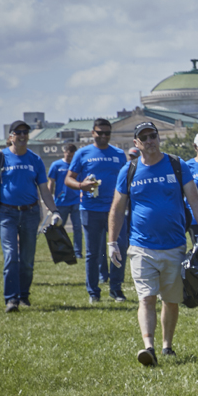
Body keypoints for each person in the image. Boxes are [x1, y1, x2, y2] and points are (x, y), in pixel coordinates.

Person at [107, 122, 198, 365]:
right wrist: (112, 242)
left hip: (174, 245)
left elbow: (194, 199)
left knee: (171, 300)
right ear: (136, 143)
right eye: (144, 137)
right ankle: (149, 346)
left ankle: (167, 345)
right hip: (141, 246)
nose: (150, 140)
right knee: (146, 298)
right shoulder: (129, 170)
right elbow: (117, 207)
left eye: (153, 136)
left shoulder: (176, 165)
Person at [0, 120, 62, 312]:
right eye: (18, 132)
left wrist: (54, 210)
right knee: (11, 256)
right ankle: (11, 299)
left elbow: (44, 189)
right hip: (6, 213)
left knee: (27, 259)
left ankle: (24, 295)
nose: (23, 135)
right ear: (10, 137)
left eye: (26, 132)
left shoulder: (35, 159)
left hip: (31, 213)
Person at [66, 118, 129, 303]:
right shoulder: (82, 153)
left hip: (115, 210)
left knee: (120, 248)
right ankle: (93, 292)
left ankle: (116, 289)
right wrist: (81, 185)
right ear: (92, 133)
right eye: (99, 133)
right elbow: (68, 179)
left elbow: (125, 181)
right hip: (90, 209)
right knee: (93, 253)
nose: (103, 136)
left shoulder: (119, 154)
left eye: (107, 133)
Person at [47, 143, 83, 258]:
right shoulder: (56, 165)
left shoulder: (77, 165)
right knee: (58, 228)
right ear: (64, 152)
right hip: (61, 201)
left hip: (76, 201)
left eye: (72, 156)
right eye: (68, 155)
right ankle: (60, 252)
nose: (69, 158)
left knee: (77, 227)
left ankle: (77, 252)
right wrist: (49, 199)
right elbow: (51, 182)